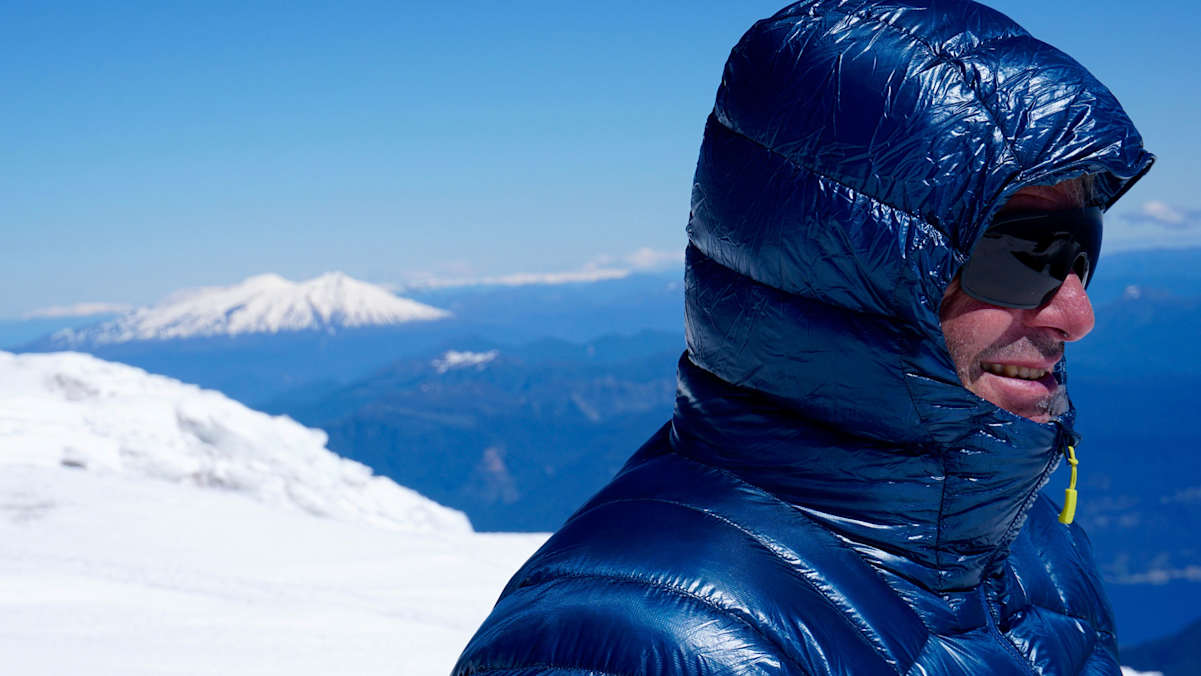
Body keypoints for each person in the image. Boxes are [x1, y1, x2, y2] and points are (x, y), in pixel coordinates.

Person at [454, 0, 1154, 673]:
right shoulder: (640, 641)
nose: (1076, 315)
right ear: (848, 273)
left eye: (1077, 252)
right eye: (1021, 255)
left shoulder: (1020, 536)